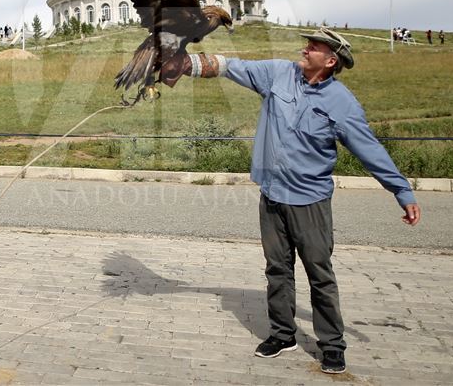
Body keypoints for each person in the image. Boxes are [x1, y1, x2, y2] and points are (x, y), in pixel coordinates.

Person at [159, 28, 420, 375]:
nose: (305, 49)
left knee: (319, 274)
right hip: (271, 195)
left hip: (309, 201)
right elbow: (230, 66)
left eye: (313, 47)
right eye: (307, 44)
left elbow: (368, 149)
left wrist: (401, 190)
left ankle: (332, 345)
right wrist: (182, 63)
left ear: (330, 61)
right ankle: (283, 334)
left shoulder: (341, 103)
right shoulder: (279, 74)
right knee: (277, 270)